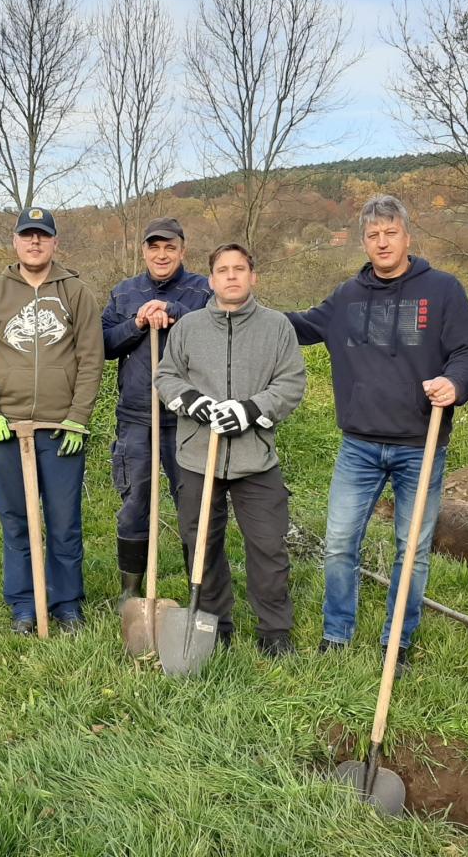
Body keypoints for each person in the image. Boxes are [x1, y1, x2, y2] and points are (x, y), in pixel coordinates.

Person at [287, 194, 468, 673]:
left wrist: (455, 383)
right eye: (373, 235)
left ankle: (399, 639)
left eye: (390, 233)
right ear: (363, 242)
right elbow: (299, 326)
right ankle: (337, 634)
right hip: (359, 445)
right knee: (339, 542)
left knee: (411, 550)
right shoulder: (347, 297)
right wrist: (241, 310)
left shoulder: (442, 290)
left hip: (420, 444)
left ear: (407, 237)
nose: (382, 242)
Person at [157, 243, 307, 655]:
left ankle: (274, 631)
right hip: (197, 456)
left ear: (252, 276)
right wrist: (192, 401)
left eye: (239, 269)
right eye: (223, 270)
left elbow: (291, 383)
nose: (231, 276)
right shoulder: (188, 327)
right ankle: (213, 624)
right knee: (201, 544)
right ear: (211, 280)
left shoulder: (277, 327)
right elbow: (166, 376)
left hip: (255, 458)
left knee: (268, 545)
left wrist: (251, 410)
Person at [0, 207, 104, 634]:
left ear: (55, 242)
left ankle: (66, 604)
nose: (35, 242)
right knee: (17, 520)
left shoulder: (76, 292)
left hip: (61, 430)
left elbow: (91, 359)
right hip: (8, 429)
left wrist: (78, 417)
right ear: (15, 241)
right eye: (27, 235)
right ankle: (24, 604)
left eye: (43, 235)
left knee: (64, 521)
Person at [101, 217, 211, 601]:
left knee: (193, 508)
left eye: (169, 247)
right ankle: (131, 595)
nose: (161, 255)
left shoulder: (202, 290)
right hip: (136, 418)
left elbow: (217, 329)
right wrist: (136, 323)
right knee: (134, 503)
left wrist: (174, 311)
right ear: (144, 251)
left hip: (187, 419)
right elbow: (103, 344)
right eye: (154, 247)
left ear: (182, 250)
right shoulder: (124, 293)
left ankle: (200, 594)